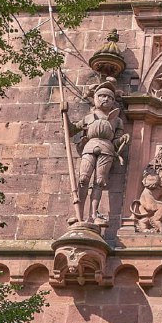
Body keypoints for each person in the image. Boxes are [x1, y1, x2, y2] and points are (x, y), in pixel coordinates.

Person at [64, 81, 129, 225]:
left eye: (110, 97)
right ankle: (78, 213)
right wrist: (65, 114)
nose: (106, 99)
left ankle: (93, 215)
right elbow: (71, 130)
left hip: (107, 149)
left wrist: (122, 140)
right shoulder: (88, 118)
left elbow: (116, 141)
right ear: (96, 98)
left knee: (99, 182)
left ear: (113, 101)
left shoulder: (116, 120)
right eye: (102, 96)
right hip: (90, 146)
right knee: (83, 179)